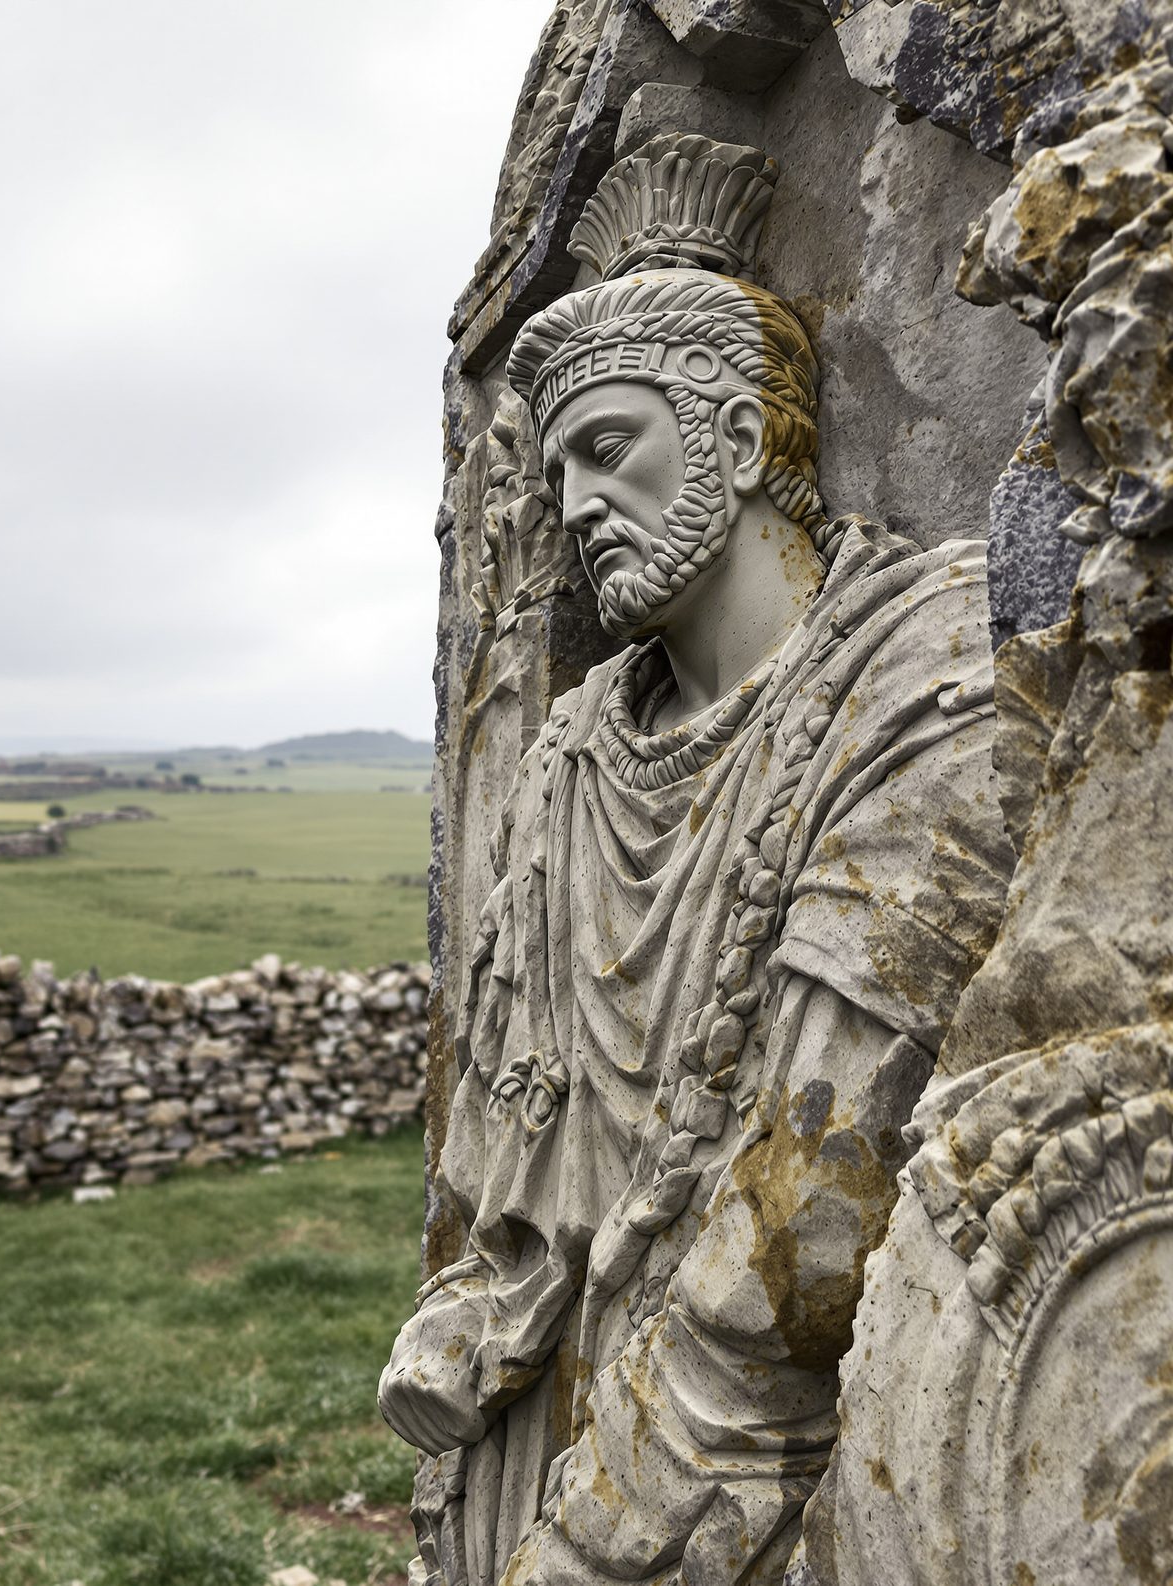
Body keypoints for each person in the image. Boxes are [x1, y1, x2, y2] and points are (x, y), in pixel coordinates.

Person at [380, 136, 1015, 1586]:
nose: (576, 499)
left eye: (611, 445)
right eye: (553, 470)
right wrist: (481, 1306)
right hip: (548, 1408)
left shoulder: (918, 675)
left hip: (759, 1450)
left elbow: (818, 1197)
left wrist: (612, 1527)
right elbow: (519, 1124)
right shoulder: (573, 758)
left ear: (735, 438)